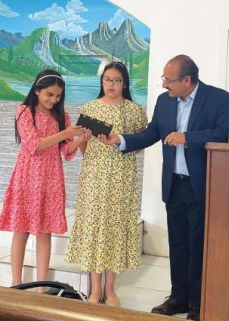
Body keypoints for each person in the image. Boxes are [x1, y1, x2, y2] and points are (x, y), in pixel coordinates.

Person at [99, 54, 229, 320]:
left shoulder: (219, 98)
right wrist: (120, 140)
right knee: (179, 244)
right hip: (174, 183)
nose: (163, 85)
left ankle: (197, 301)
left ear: (187, 80)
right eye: (163, 78)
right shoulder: (165, 101)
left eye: (168, 80)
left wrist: (188, 138)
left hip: (202, 184)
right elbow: (151, 133)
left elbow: (225, 133)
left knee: (198, 244)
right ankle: (178, 298)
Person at [0, 70, 89, 292]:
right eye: (49, 94)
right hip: (27, 176)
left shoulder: (61, 117)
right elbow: (34, 144)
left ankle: (41, 287)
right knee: (21, 229)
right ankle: (16, 283)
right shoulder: (24, 111)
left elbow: (66, 150)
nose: (53, 100)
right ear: (37, 90)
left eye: (58, 96)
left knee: (44, 231)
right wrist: (64, 132)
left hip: (51, 178)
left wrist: (80, 138)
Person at [65, 62, 148, 306]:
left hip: (122, 178)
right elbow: (81, 145)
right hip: (94, 178)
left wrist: (122, 145)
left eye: (117, 80)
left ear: (125, 83)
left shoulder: (134, 110)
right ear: (102, 81)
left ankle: (110, 289)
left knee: (116, 228)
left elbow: (141, 141)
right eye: (108, 79)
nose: (111, 85)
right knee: (95, 228)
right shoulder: (90, 108)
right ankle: (94, 290)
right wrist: (86, 143)